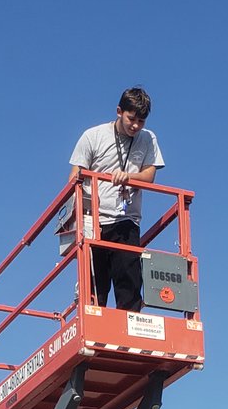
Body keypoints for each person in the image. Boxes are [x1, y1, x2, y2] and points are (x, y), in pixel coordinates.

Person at [68, 87, 164, 311]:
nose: (136, 126)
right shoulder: (93, 136)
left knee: (129, 280)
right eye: (132, 119)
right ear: (119, 111)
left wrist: (129, 177)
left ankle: (130, 329)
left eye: (141, 121)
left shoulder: (148, 138)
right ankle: (92, 323)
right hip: (94, 220)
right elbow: (74, 178)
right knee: (95, 286)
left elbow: (149, 176)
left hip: (126, 218)